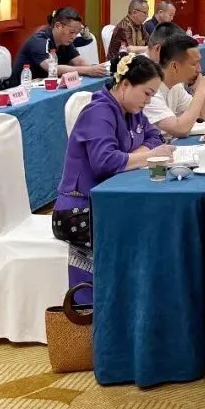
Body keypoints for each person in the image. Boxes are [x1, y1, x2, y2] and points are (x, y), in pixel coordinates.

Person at [52, 54, 173, 298]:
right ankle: (112, 304)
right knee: (144, 233)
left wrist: (133, 155)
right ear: (125, 84)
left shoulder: (133, 110)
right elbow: (105, 162)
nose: (148, 101)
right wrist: (147, 156)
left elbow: (154, 137)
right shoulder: (98, 112)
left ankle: (142, 299)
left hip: (108, 201)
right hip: (77, 211)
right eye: (147, 93)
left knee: (160, 223)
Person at [10, 7, 108, 86]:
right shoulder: (40, 40)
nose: (74, 36)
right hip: (22, 89)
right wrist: (89, 70)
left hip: (46, 87)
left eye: (76, 33)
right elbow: (51, 68)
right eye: (71, 32)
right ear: (57, 26)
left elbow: (79, 61)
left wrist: (98, 70)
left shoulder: (65, 42)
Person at [143, 32, 205, 137]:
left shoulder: (175, 87)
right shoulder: (149, 90)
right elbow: (181, 130)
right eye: (194, 64)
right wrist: (201, 91)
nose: (199, 69)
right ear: (174, 66)